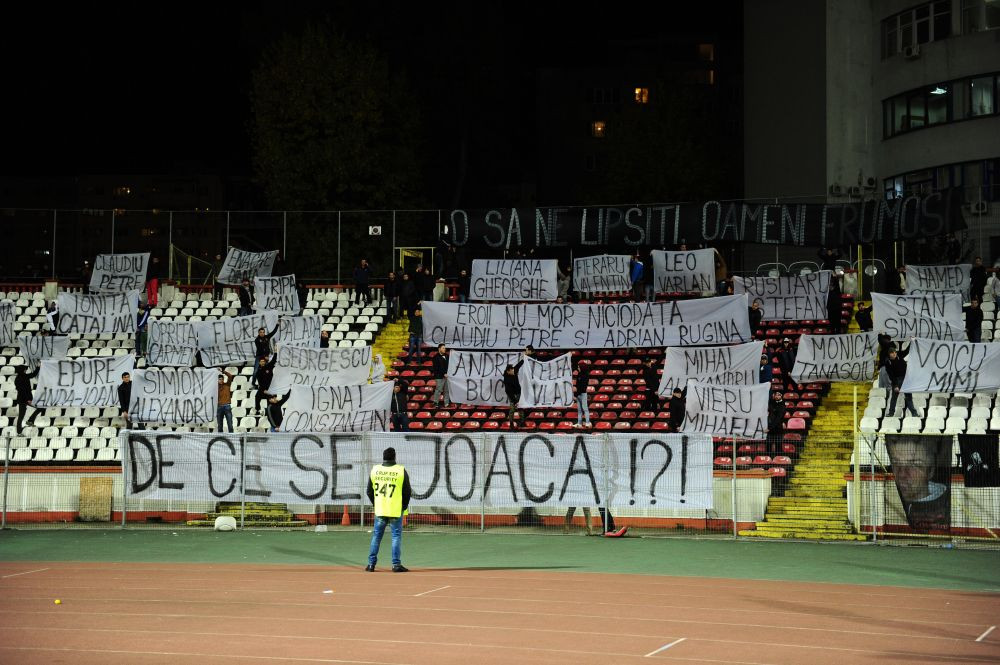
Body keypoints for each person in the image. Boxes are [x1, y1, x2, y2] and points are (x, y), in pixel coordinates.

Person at [887, 436, 950, 532]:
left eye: (914, 465)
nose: (902, 473)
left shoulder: (943, 502)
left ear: (930, 471)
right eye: (896, 462)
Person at [366, 447, 412, 572]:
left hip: (380, 509)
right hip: (395, 510)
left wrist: (376, 504)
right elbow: (407, 491)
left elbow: (369, 491)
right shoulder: (400, 471)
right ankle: (396, 564)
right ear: (394, 457)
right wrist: (404, 506)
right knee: (396, 536)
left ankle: (371, 564)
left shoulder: (375, 470)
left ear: (383, 457)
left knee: (376, 536)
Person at [884, 346, 917, 417]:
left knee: (908, 398)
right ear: (889, 354)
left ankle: (914, 413)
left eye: (895, 352)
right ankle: (891, 413)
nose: (894, 354)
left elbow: (906, 351)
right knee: (894, 398)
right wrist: (895, 385)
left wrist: (911, 342)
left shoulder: (899, 355)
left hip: (906, 379)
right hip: (896, 380)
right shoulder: (888, 363)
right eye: (892, 353)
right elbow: (891, 375)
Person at [14, 365, 41, 433]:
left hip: (22, 399)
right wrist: (28, 400)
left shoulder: (19, 378)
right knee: (40, 407)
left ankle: (28, 422)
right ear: (22, 370)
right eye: (25, 369)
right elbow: (23, 390)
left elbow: (33, 374)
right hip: (25, 399)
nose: (26, 370)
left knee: (21, 416)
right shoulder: (22, 378)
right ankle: (29, 422)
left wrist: (38, 367)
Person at [503, 357, 526, 428]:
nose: (514, 371)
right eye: (512, 371)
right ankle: (511, 423)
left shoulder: (514, 370)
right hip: (511, 395)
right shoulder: (506, 379)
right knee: (512, 409)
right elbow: (508, 391)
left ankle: (522, 422)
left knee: (520, 408)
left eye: (513, 370)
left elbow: (519, 365)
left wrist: (525, 358)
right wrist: (515, 401)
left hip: (518, 393)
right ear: (508, 371)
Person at [573, 355, 592, 428]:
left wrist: (577, 393)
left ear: (582, 367)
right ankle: (579, 423)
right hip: (578, 394)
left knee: (585, 408)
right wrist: (576, 394)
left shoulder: (586, 375)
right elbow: (577, 385)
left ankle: (587, 422)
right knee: (579, 410)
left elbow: (583, 386)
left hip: (583, 394)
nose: (577, 368)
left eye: (578, 367)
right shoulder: (579, 374)